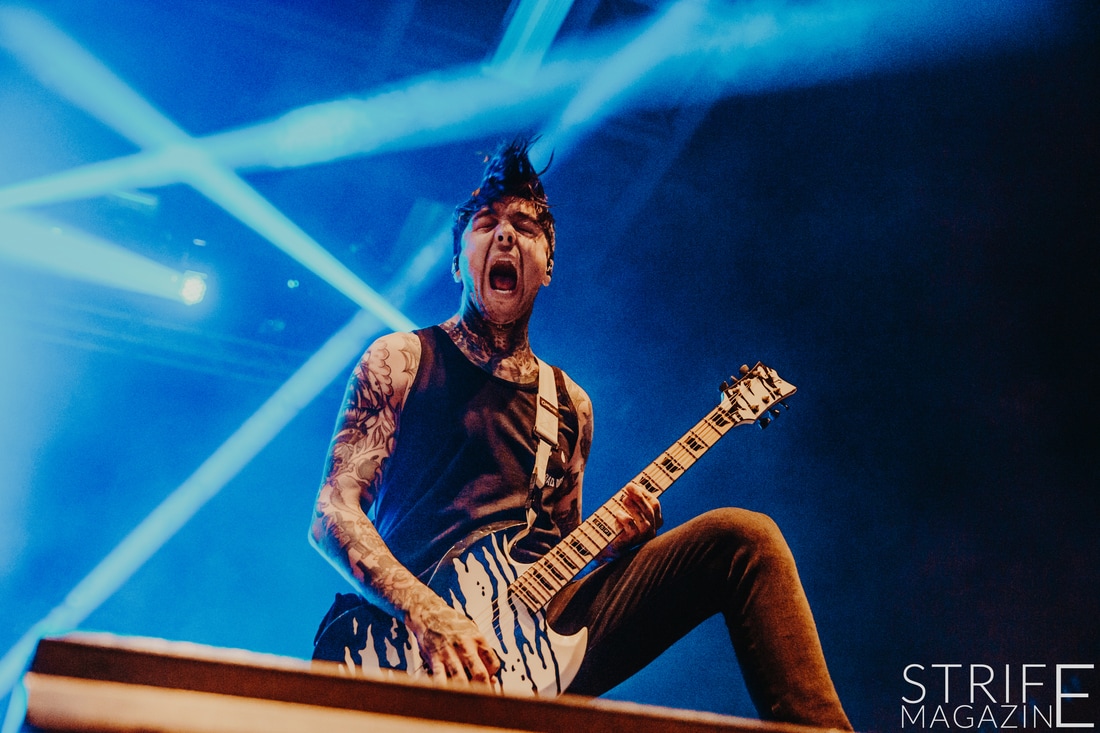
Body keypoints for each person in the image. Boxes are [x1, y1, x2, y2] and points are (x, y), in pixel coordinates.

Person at [308, 139, 852, 730]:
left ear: (548, 266)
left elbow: (557, 551)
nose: (505, 235)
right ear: (458, 263)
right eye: (486, 224)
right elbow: (333, 512)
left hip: (530, 634)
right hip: (402, 642)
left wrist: (616, 545)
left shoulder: (570, 405)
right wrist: (427, 613)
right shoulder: (402, 359)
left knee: (743, 539)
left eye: (525, 227)